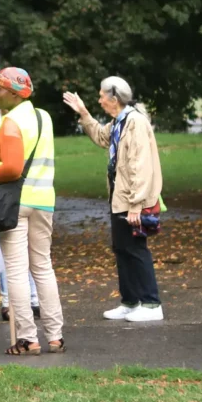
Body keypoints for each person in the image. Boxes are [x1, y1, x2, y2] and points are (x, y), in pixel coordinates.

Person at [64, 77, 166, 324]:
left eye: (101, 95)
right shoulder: (120, 121)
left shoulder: (135, 123)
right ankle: (130, 302)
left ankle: (152, 304)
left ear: (114, 98)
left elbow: (139, 165)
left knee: (136, 250)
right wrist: (84, 113)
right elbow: (101, 137)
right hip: (118, 197)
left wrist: (136, 204)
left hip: (132, 201)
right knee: (122, 249)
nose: (99, 99)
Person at [0, 67, 64, 355]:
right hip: (44, 200)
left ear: (14, 94)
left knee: (15, 270)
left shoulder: (12, 121)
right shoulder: (44, 117)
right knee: (43, 267)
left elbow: (13, 168)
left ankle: (28, 338)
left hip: (15, 203)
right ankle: (56, 336)